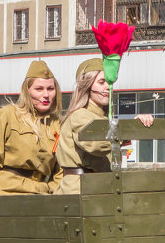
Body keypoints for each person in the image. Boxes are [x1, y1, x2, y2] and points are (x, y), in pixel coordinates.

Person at [55, 58, 154, 195]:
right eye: (101, 82)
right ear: (87, 86)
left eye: (110, 82)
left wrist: (138, 123)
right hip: (79, 190)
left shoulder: (101, 118)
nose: (107, 87)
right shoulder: (80, 115)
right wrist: (128, 129)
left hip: (97, 187)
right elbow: (95, 144)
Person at [0, 61, 63, 203]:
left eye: (50, 89)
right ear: (27, 91)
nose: (46, 94)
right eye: (39, 89)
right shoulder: (8, 115)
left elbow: (60, 169)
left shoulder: (57, 124)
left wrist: (53, 190)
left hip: (41, 194)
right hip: (7, 192)